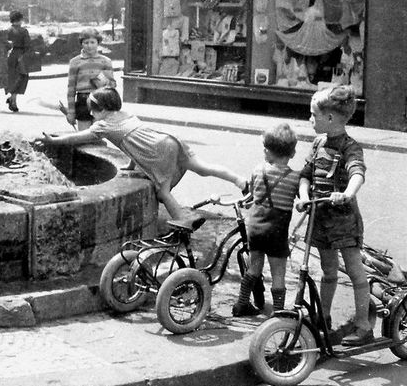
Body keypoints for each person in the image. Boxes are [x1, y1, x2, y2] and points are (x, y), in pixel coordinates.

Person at [38, 88, 247, 221]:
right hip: (168, 137)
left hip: (159, 149)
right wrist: (130, 167)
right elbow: (133, 142)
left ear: (103, 109)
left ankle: (184, 222)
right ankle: (241, 181)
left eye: (93, 109)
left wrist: (53, 141)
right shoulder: (125, 114)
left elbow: (78, 137)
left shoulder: (103, 126)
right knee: (203, 168)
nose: (91, 114)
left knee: (162, 193)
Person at [295, 84, 372, 346]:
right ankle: (323, 317)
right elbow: (305, 175)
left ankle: (363, 325)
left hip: (343, 221)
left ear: (329, 118)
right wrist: (304, 196)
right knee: (328, 271)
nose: (310, 120)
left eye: (313, 115)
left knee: (354, 270)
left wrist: (348, 193)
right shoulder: (318, 143)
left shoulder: (350, 147)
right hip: (320, 218)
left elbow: (357, 172)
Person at [232, 123, 300, 317]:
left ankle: (241, 303)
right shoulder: (294, 178)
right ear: (293, 153)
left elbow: (252, 195)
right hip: (277, 230)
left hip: (255, 226)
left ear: (267, 151)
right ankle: (278, 313)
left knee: (254, 268)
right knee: (278, 274)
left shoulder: (258, 170)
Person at [66, 28, 116, 130]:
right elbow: (71, 89)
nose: (89, 46)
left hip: (101, 100)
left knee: (98, 134)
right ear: (81, 44)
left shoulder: (105, 61)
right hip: (82, 100)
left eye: (92, 42)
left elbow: (113, 85)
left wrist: (104, 82)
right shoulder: (75, 62)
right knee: (83, 136)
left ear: (98, 42)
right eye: (86, 42)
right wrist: (71, 112)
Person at [5, 10, 30, 112]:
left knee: (11, 78)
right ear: (20, 20)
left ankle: (12, 99)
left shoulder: (7, 30)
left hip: (9, 56)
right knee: (21, 77)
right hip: (20, 56)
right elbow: (27, 45)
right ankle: (13, 100)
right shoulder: (23, 31)